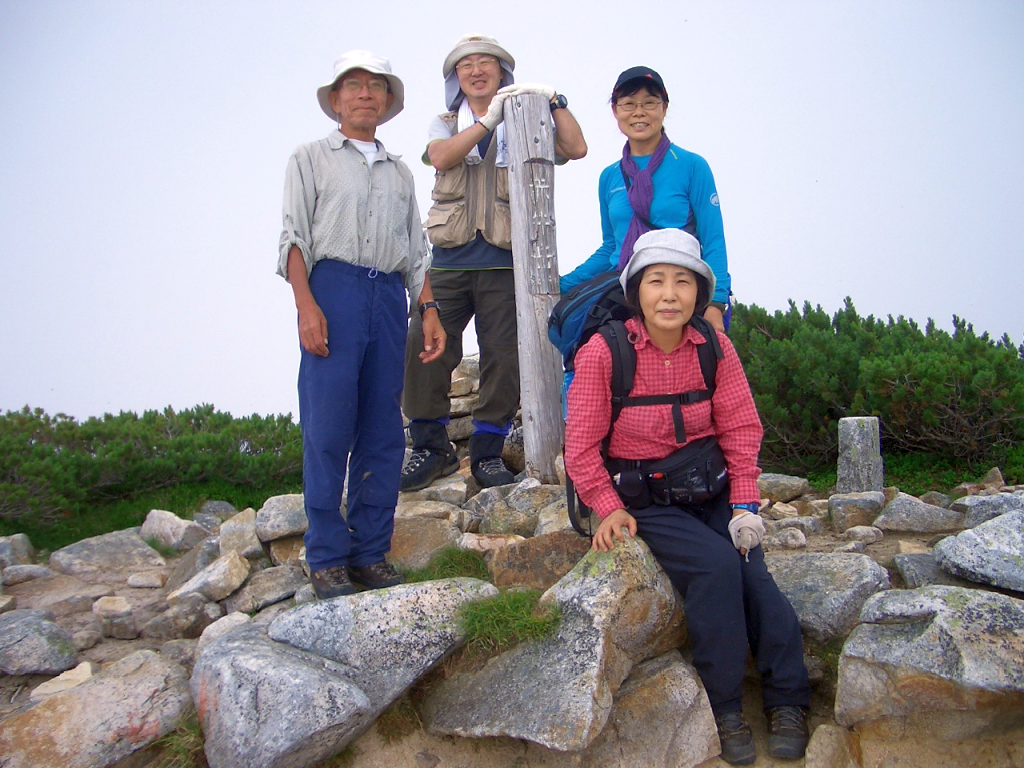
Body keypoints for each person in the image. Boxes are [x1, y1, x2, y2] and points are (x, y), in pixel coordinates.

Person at [563, 229, 810, 765]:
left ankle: (789, 701)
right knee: (716, 570)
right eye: (656, 281)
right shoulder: (605, 353)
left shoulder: (715, 348)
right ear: (636, 291)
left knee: (754, 574)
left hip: (712, 488)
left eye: (683, 281)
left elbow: (741, 429)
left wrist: (744, 505)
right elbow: (580, 447)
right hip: (644, 500)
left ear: (700, 292)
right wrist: (607, 508)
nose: (670, 294)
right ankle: (726, 709)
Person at [277, 50, 445, 600]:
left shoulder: (400, 171)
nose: (365, 94)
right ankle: (325, 556)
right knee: (328, 426)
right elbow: (293, 237)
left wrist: (429, 309)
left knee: (381, 430)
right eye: (353, 85)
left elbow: (416, 250)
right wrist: (306, 304)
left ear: (388, 101)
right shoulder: (310, 158)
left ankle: (370, 551)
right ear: (335, 98)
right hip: (335, 289)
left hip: (386, 296)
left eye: (376, 86)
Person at [400, 33, 588, 492]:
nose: (477, 70)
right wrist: (489, 120)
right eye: (466, 65)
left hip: (505, 262)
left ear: (504, 72)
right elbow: (441, 157)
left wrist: (553, 100)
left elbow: (576, 148)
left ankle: (487, 451)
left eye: (487, 62)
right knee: (423, 346)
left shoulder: (528, 118)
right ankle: (430, 447)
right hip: (446, 261)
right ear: (456, 78)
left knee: (504, 356)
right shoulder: (444, 122)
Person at [559, 66, 731, 333]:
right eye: (628, 104)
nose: (639, 112)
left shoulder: (691, 166)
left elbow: (712, 241)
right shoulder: (610, 176)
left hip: (679, 295)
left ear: (664, 108)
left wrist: (716, 303)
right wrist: (562, 285)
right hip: (625, 293)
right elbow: (610, 249)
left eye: (649, 103)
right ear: (615, 111)